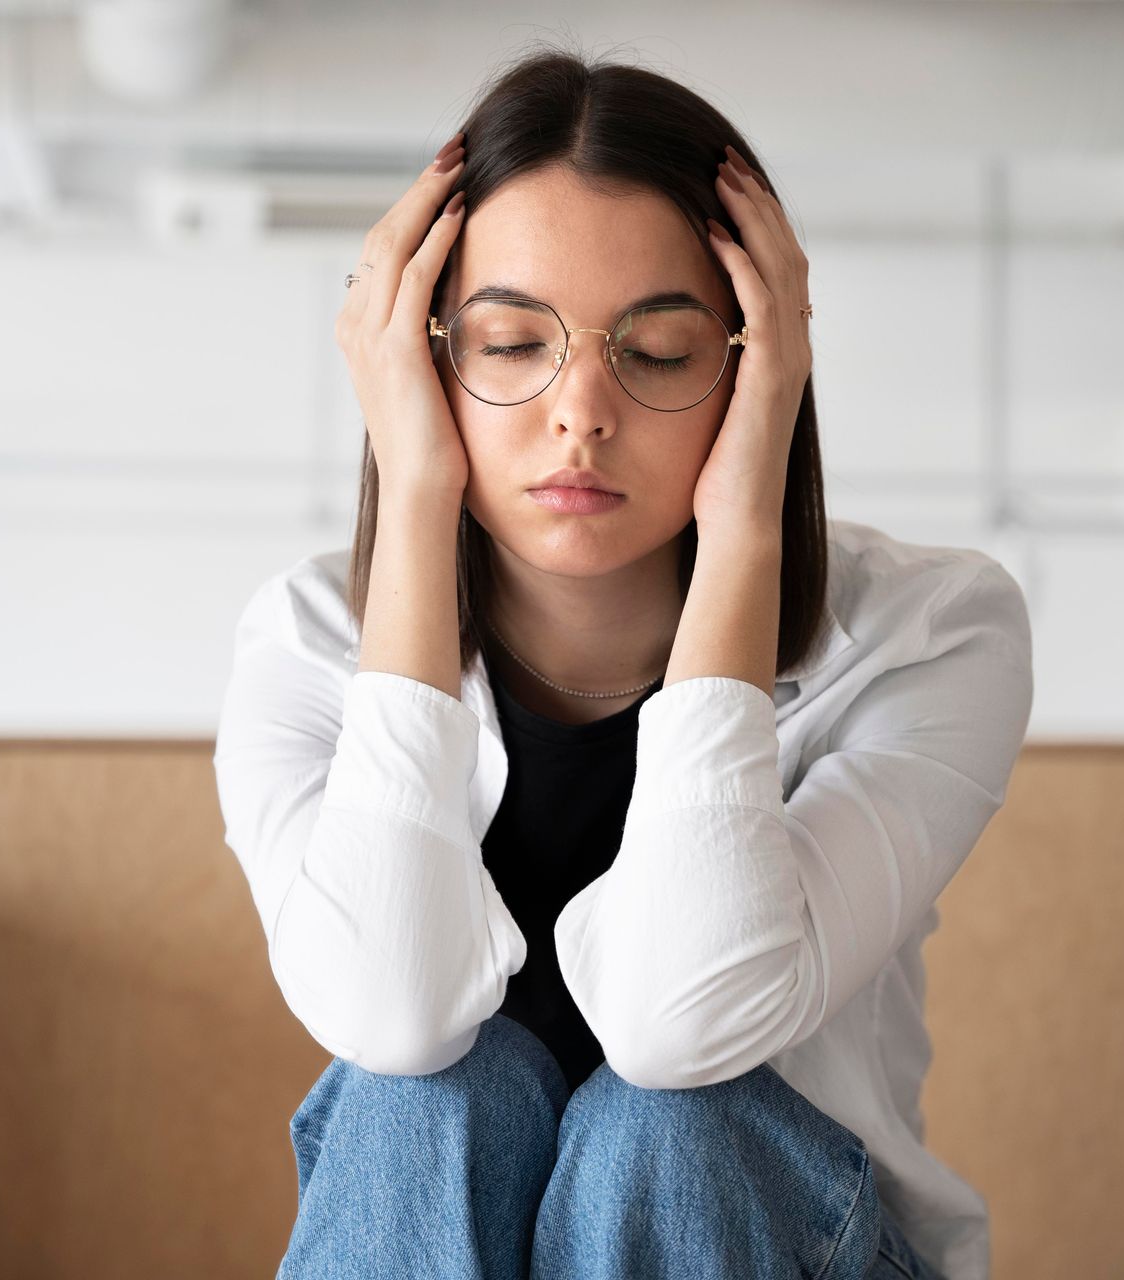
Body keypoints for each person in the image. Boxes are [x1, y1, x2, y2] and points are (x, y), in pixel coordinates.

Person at [212, 43, 1033, 1280]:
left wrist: (746, 531)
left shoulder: (937, 633)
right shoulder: (305, 643)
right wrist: (419, 491)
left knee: (675, 1123)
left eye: (654, 352)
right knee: (421, 1096)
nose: (580, 410)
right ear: (421, 361)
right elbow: (393, 1012)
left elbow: (677, 1022)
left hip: (782, 1238)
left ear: (754, 366)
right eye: (506, 345)